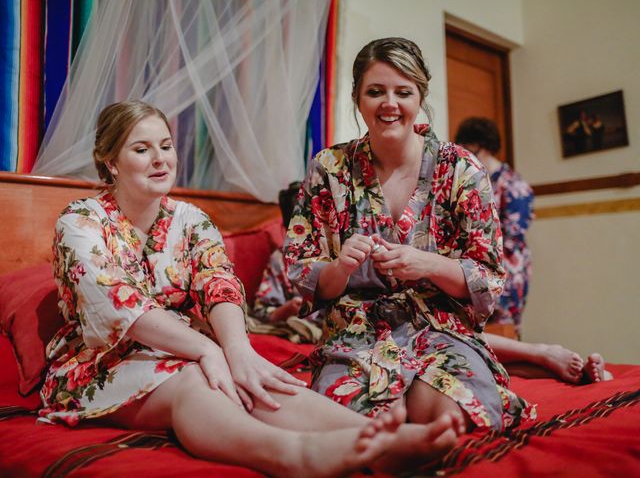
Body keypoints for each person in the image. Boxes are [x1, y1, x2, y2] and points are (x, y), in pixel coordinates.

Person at [39, 100, 464, 477]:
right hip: (102, 362)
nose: (160, 159)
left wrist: (239, 353)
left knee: (255, 378)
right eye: (141, 149)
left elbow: (219, 283)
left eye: (166, 146)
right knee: (195, 379)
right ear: (112, 163)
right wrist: (209, 350)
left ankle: (379, 439)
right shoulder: (80, 221)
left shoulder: (191, 219)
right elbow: (119, 304)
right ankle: (295, 454)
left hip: (182, 344)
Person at [284, 37, 535, 433]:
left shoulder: (461, 169)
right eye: (375, 91)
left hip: (441, 327)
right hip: (355, 332)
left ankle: (421, 427)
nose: (389, 103)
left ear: (420, 96)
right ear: (356, 97)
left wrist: (429, 264)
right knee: (345, 427)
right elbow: (302, 272)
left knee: (455, 416)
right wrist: (340, 267)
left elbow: (489, 276)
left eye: (404, 92)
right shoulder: (328, 168)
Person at [455, 117, 612, 384]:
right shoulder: (473, 179)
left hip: (505, 267)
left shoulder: (513, 184)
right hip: (474, 265)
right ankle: (559, 370)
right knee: (474, 333)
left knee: (502, 328)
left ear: (484, 147)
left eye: (471, 149)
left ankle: (556, 365)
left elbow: (511, 236)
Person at [251, 181, 323, 343]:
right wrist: (287, 309)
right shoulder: (280, 260)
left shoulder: (340, 252)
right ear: (286, 230)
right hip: (298, 325)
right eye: (299, 231)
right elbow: (262, 312)